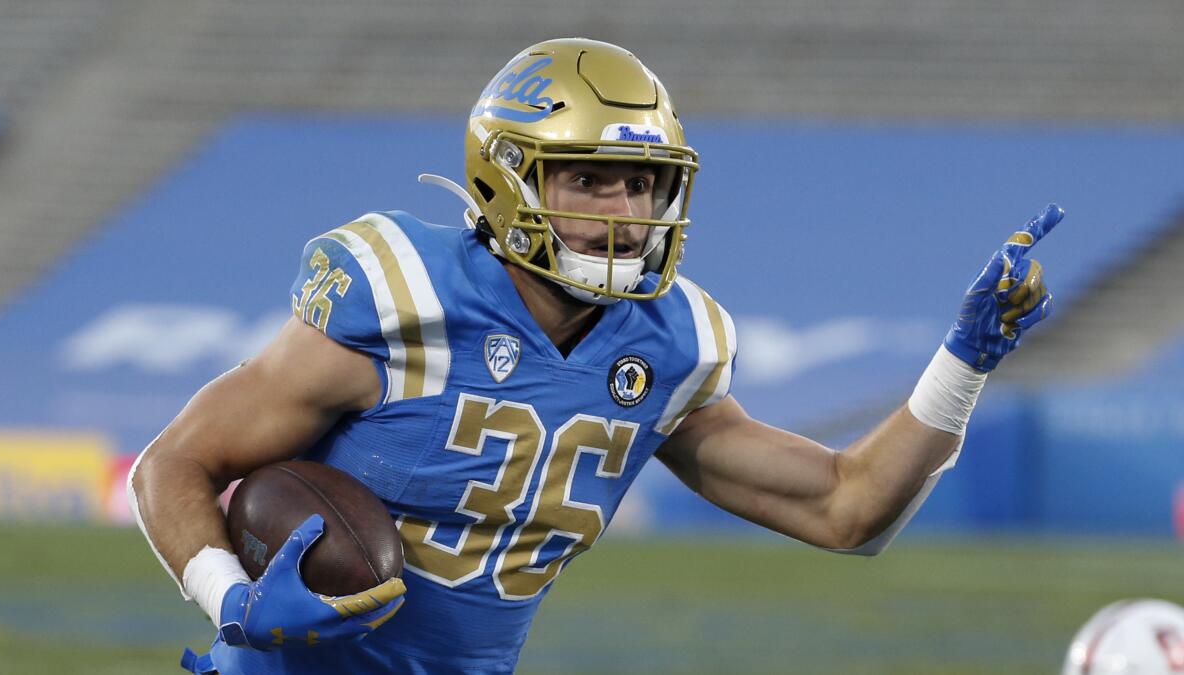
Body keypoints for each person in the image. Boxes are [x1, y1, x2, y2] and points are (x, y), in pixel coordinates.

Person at [127, 37, 1061, 674]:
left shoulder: (666, 347)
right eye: (587, 179)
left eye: (642, 185)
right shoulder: (403, 298)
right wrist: (231, 601)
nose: (621, 211)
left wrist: (965, 357)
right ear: (507, 177)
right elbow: (175, 462)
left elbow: (849, 507)